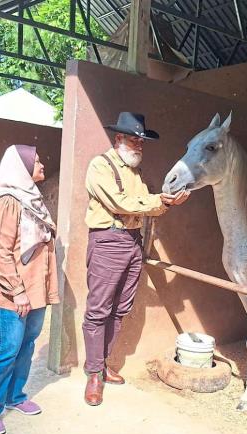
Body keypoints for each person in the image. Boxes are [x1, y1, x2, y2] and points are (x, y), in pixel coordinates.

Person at [82, 112, 190, 406]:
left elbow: (144, 207)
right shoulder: (100, 166)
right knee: (98, 309)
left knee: (120, 309)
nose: (139, 145)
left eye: (141, 141)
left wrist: (165, 202)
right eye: (133, 139)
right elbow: (121, 204)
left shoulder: (135, 173)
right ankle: (93, 373)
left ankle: (102, 364)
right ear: (118, 139)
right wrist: (159, 202)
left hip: (132, 242)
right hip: (108, 240)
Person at [0, 145, 59, 434]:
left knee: (27, 343)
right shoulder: (7, 201)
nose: (42, 163)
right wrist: (17, 290)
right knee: (7, 347)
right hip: (14, 290)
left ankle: (14, 396)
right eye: (36, 160)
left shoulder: (30, 199)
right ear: (21, 168)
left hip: (36, 286)